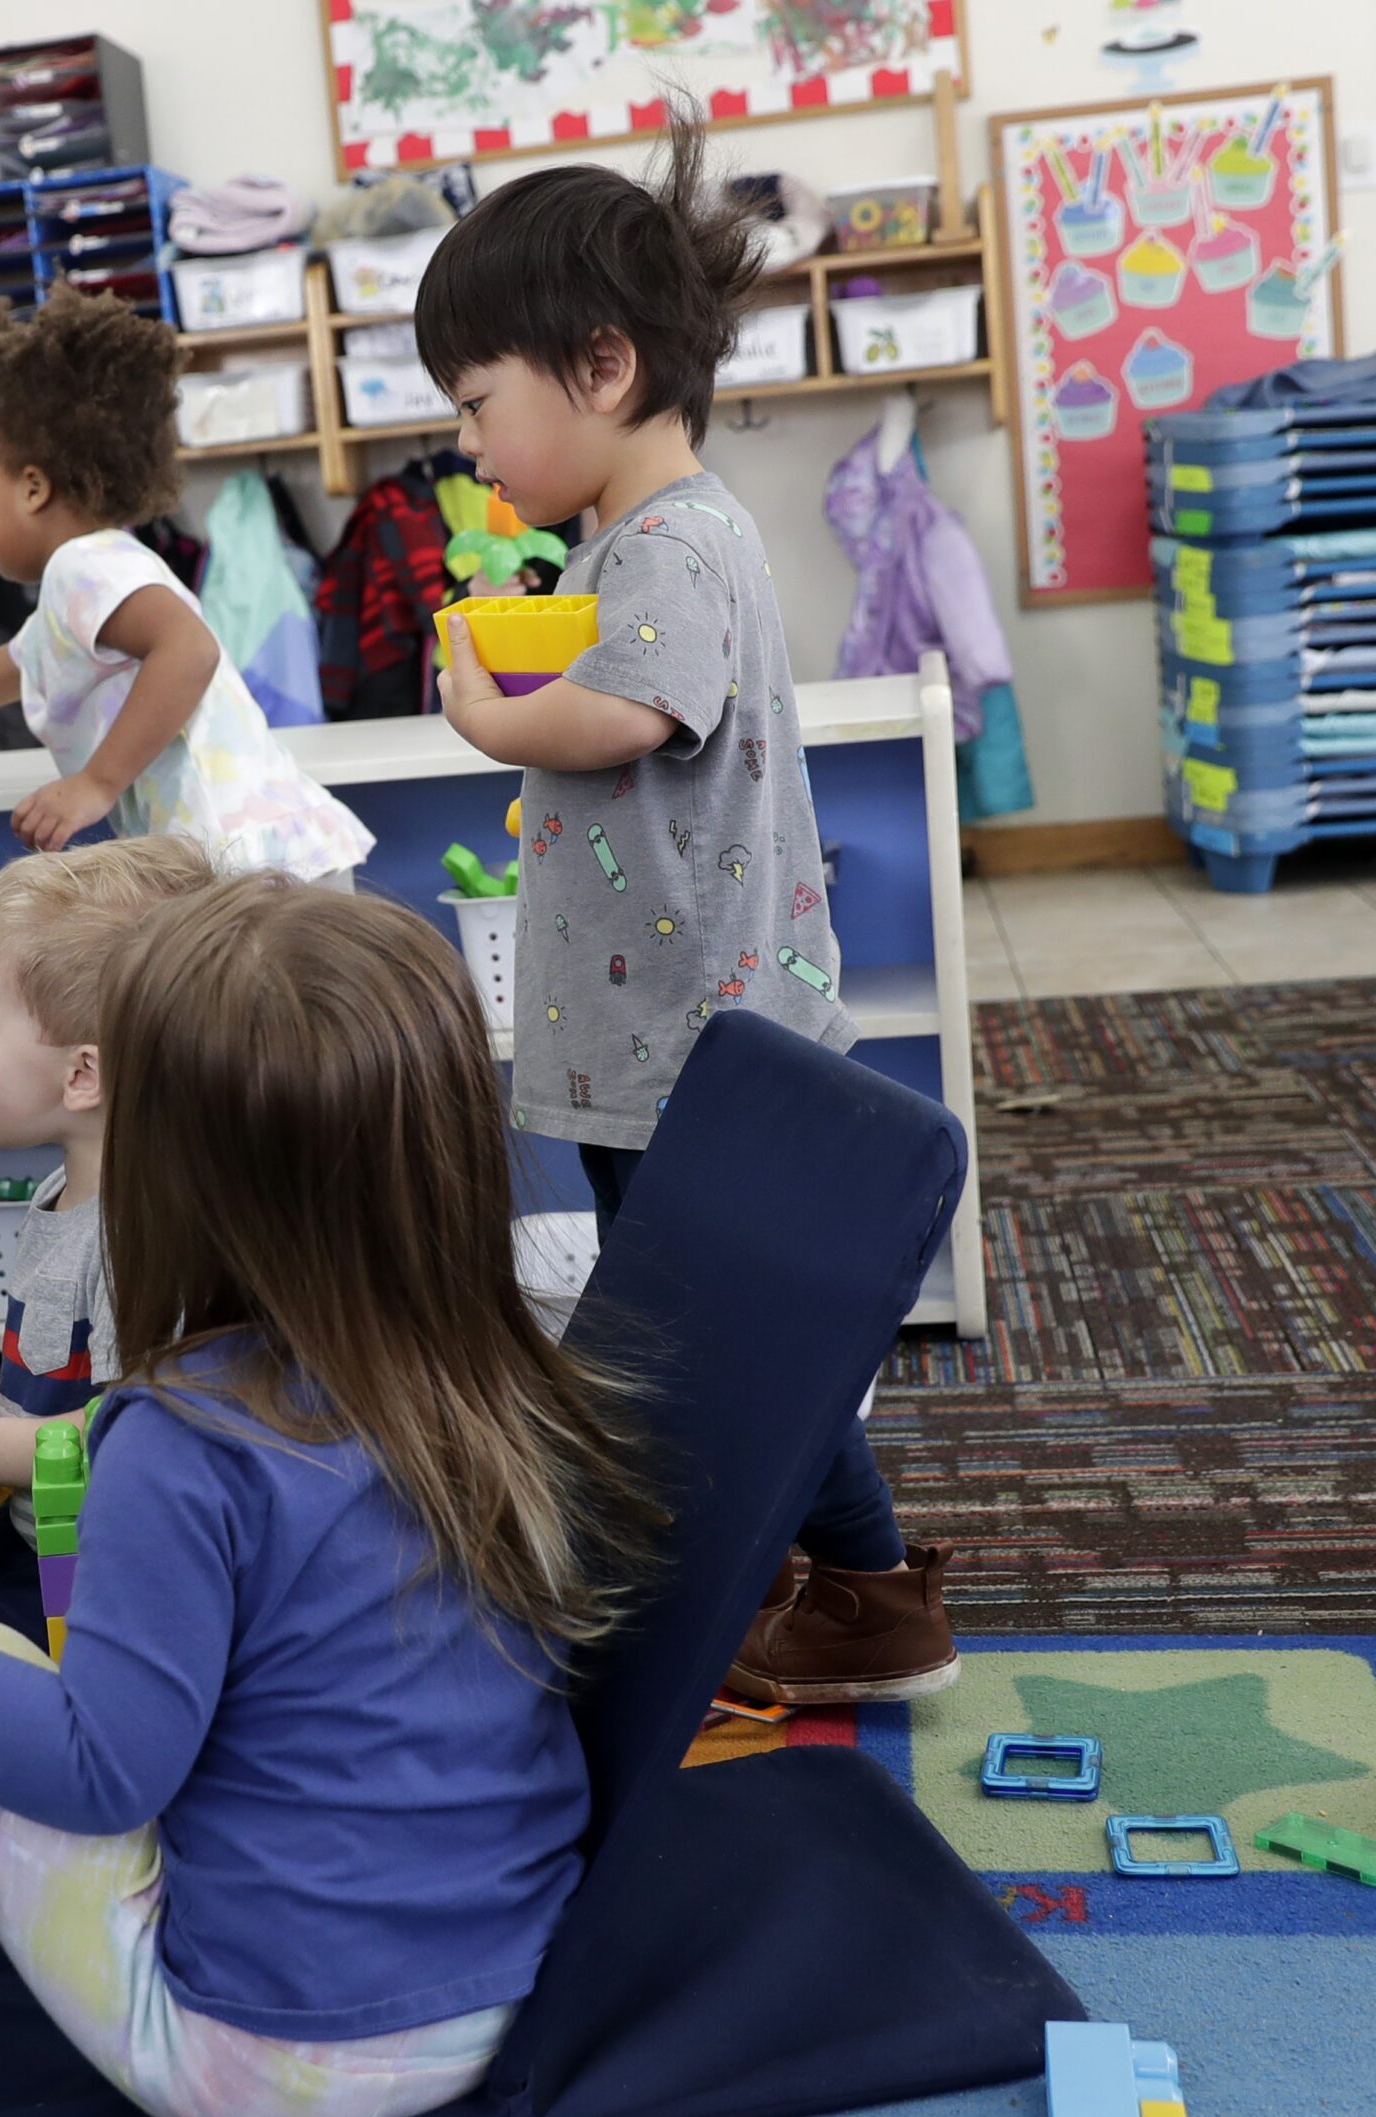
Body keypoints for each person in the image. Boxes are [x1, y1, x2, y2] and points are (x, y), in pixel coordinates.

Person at [0, 881, 662, 2117]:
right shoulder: (488, 1356)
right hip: (512, 1979)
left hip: (269, 2053)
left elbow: (100, 1772)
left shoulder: (179, 1439)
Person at [413, 106, 954, 1705]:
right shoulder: (640, 540)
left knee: (691, 1339)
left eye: (477, 405)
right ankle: (813, 1578)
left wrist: (490, 716)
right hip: (664, 1030)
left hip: (685, 1044)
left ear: (599, 369)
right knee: (696, 1335)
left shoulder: (668, 543)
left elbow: (625, 717)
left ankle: (851, 1588)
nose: (469, 446)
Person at [0, 288, 373, 885]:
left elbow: (190, 650)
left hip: (247, 867)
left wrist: (97, 783)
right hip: (258, 864)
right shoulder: (82, 596)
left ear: (33, 489)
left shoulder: (84, 566)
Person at [0, 835, 220, 1640]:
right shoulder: (65, 1191)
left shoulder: (143, 1242)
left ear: (82, 1075)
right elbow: (68, 1376)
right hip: (38, 1519)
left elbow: (144, 1436)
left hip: (97, 1576)